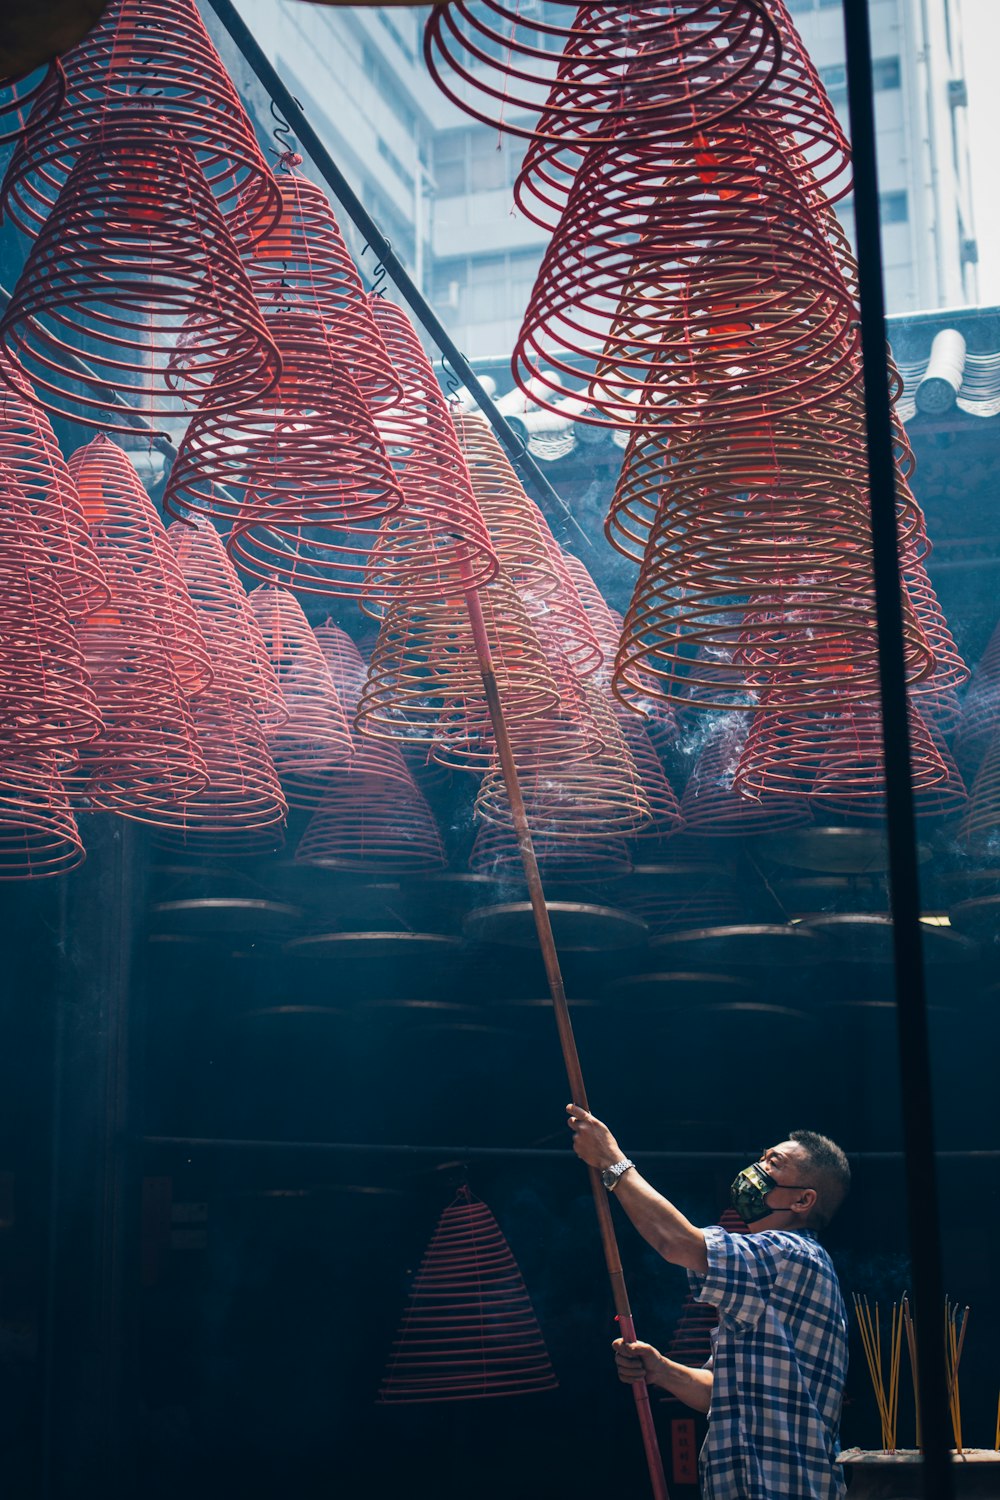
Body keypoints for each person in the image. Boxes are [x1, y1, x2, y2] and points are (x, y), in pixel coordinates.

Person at [566, 1104, 851, 1500]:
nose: (758, 1167)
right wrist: (660, 1369)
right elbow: (722, 1391)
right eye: (762, 1156)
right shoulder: (766, 1275)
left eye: (774, 1162)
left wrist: (612, 1161)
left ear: (803, 1200)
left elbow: (677, 1242)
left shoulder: (792, 1255)